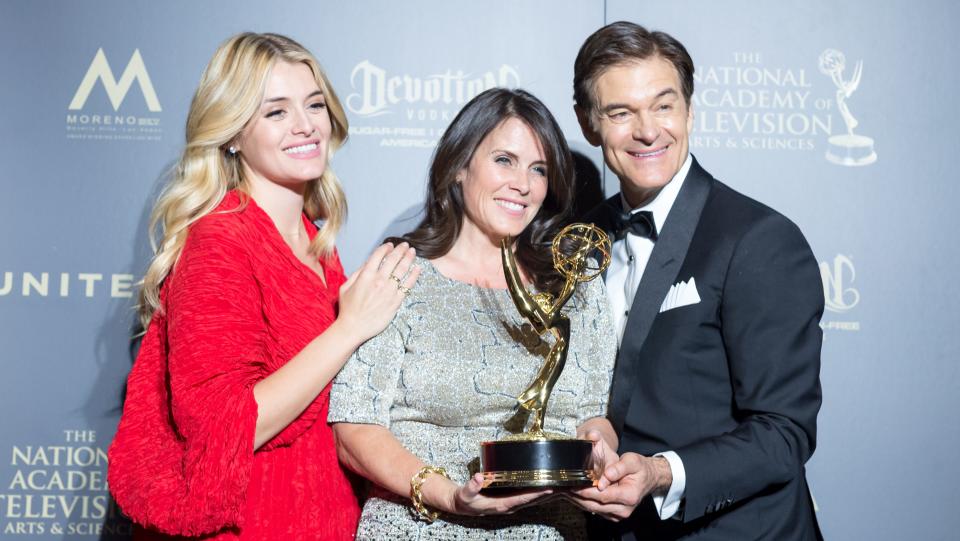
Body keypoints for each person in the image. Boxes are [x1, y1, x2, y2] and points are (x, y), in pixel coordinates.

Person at [107, 32, 420, 540]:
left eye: (314, 104)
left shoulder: (319, 243)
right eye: (276, 112)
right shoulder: (219, 241)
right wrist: (349, 329)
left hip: (325, 515)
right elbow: (224, 427)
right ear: (232, 133)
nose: (305, 125)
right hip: (250, 522)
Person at [567, 22, 824, 541]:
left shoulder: (758, 239)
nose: (648, 130)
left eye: (664, 106)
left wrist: (661, 473)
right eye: (621, 113)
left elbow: (784, 431)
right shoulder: (581, 241)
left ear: (688, 109)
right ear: (589, 123)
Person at [328, 87, 619, 540]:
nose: (523, 184)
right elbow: (354, 427)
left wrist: (603, 451)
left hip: (549, 529)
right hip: (422, 527)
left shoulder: (577, 286)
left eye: (538, 169)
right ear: (460, 165)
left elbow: (591, 416)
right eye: (504, 160)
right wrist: (448, 495)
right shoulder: (398, 274)